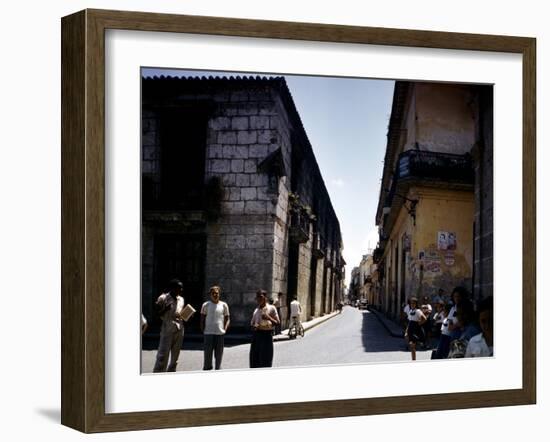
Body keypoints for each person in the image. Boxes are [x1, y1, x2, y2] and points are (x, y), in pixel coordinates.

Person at [153, 279, 189, 372]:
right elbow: (156, 314)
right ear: (172, 288)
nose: (181, 289)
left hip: (179, 329)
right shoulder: (163, 298)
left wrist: (187, 315)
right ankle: (158, 374)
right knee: (163, 355)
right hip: (167, 329)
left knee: (175, 357)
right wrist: (165, 309)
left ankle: (171, 373)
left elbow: (180, 314)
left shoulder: (181, 299)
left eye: (182, 288)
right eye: (179, 287)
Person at [434, 286, 469, 359]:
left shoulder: (465, 307)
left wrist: (456, 325)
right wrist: (456, 325)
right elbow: (450, 324)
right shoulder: (453, 308)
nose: (456, 298)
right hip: (450, 335)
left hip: (460, 336)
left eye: (458, 296)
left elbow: (463, 323)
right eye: (455, 296)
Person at [200, 285, 230, 370]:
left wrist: (225, 328)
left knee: (219, 356)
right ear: (210, 294)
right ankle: (207, 370)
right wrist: (203, 329)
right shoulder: (206, 305)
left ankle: (218, 370)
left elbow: (227, 318)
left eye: (216, 293)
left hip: (220, 334)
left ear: (219, 294)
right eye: (213, 293)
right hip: (208, 333)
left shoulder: (224, 305)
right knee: (207, 357)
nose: (215, 295)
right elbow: (202, 318)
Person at [250, 289, 280, 368]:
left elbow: (277, 323)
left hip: (266, 337)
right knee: (254, 362)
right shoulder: (256, 310)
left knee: (265, 362)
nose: (259, 299)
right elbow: (252, 324)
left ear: (265, 298)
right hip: (256, 337)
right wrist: (254, 327)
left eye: (261, 297)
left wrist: (268, 317)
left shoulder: (272, 308)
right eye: (257, 297)